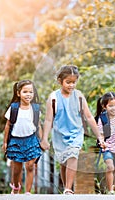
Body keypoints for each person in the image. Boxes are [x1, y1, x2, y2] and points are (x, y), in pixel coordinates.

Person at [40, 65, 103, 195]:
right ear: (60, 81)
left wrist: (99, 136)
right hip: (59, 135)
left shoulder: (79, 96)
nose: (71, 85)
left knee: (73, 155)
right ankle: (66, 187)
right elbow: (48, 120)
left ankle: (68, 188)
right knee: (63, 162)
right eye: (68, 82)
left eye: (74, 82)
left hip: (76, 133)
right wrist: (45, 139)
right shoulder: (53, 98)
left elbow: (89, 117)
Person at [1, 80, 42, 194]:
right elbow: (8, 125)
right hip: (15, 141)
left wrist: (42, 141)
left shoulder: (35, 109)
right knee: (16, 170)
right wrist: (5, 143)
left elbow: (38, 125)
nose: (28, 94)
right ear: (19, 93)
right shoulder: (14, 108)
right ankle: (15, 188)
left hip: (31, 139)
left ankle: (27, 192)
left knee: (30, 166)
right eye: (25, 92)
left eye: (31, 92)